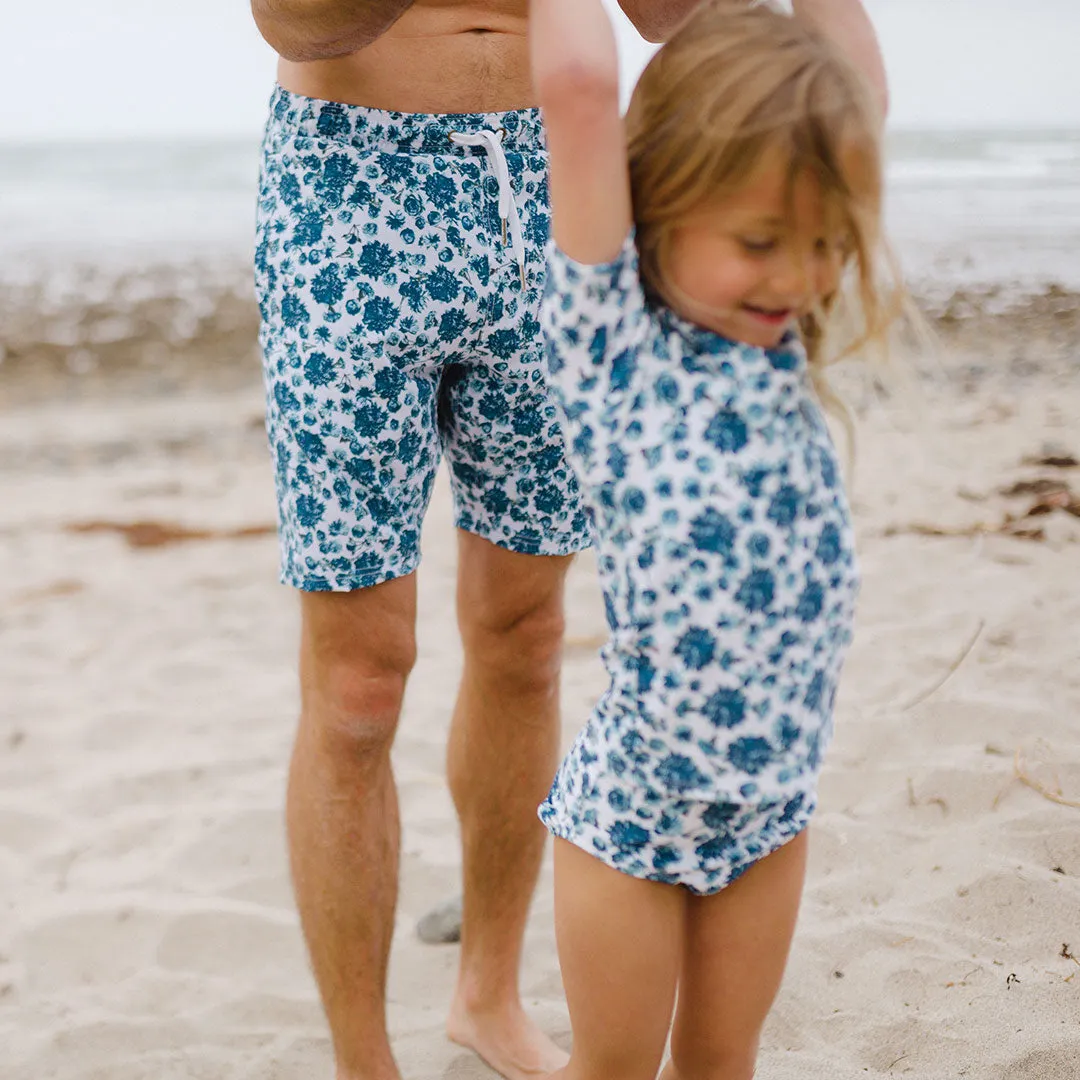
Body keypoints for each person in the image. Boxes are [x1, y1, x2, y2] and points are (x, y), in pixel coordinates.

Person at [248, 2, 886, 1079]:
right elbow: (297, 20)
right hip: (348, 183)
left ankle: (485, 997)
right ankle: (364, 1064)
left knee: (526, 632)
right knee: (359, 685)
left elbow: (672, 16)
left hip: (559, 174)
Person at [531, 2, 896, 1079]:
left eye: (824, 244)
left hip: (773, 809)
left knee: (722, 1066)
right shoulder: (610, 355)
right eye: (758, 243)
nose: (797, 278)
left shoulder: (786, 336)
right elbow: (583, 91)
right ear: (663, 200)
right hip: (633, 821)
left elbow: (856, 100)